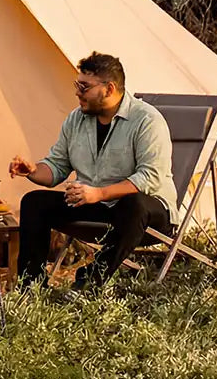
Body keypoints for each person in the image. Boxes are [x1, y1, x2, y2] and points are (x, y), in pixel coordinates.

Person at [9, 52, 176, 294]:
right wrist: (33, 171)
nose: (77, 92)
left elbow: (149, 178)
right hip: (97, 205)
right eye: (77, 85)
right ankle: (31, 285)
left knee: (135, 203)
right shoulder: (76, 120)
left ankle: (89, 282)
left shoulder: (147, 121)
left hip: (146, 214)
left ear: (109, 89)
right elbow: (56, 167)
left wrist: (99, 193)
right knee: (34, 202)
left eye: (84, 86)